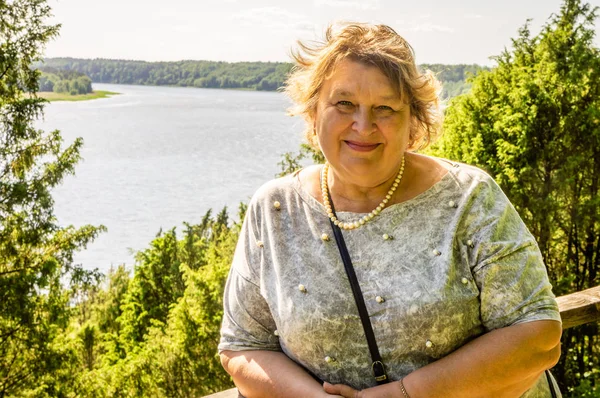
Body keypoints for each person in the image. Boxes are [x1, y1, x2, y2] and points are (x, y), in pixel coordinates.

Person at [218, 22, 562, 398]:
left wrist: (405, 394)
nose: (363, 126)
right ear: (314, 112)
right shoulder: (275, 209)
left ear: (413, 122)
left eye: (384, 108)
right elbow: (243, 346)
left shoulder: (469, 198)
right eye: (344, 103)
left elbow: (538, 337)